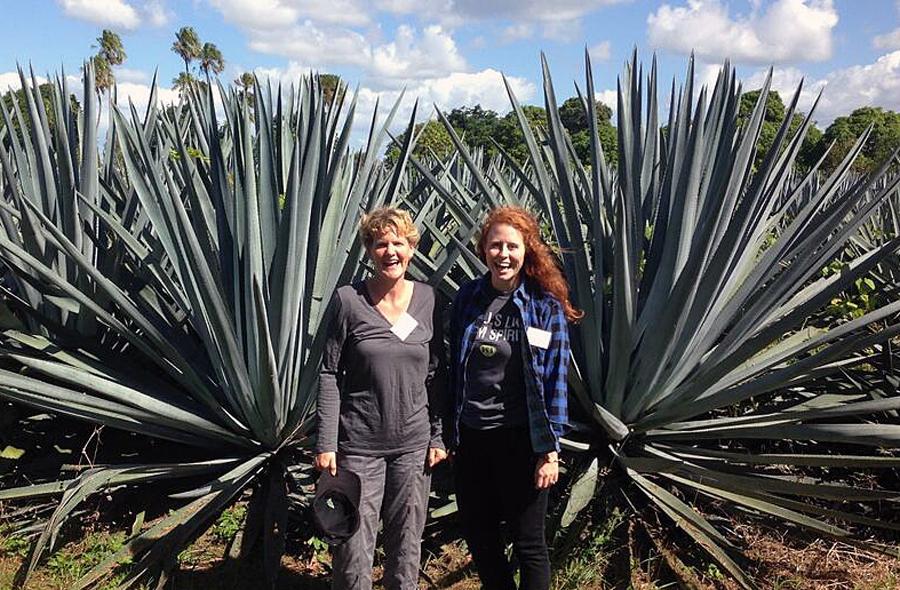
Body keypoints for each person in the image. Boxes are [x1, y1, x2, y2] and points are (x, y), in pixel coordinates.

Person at [448, 206, 581, 590]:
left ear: (526, 251)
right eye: (495, 246)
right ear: (483, 250)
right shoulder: (468, 298)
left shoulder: (544, 305)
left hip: (522, 440)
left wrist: (550, 450)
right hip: (472, 436)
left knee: (529, 545)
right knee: (481, 538)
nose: (503, 255)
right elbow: (454, 369)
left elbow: (556, 381)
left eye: (512, 246)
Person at [315, 207, 448, 590]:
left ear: (412, 247)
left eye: (399, 243)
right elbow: (329, 372)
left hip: (412, 446)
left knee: (406, 545)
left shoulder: (429, 300)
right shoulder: (348, 300)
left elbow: (437, 373)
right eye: (380, 244)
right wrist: (326, 443)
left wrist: (438, 435)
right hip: (358, 447)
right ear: (369, 251)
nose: (391, 251)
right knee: (353, 549)